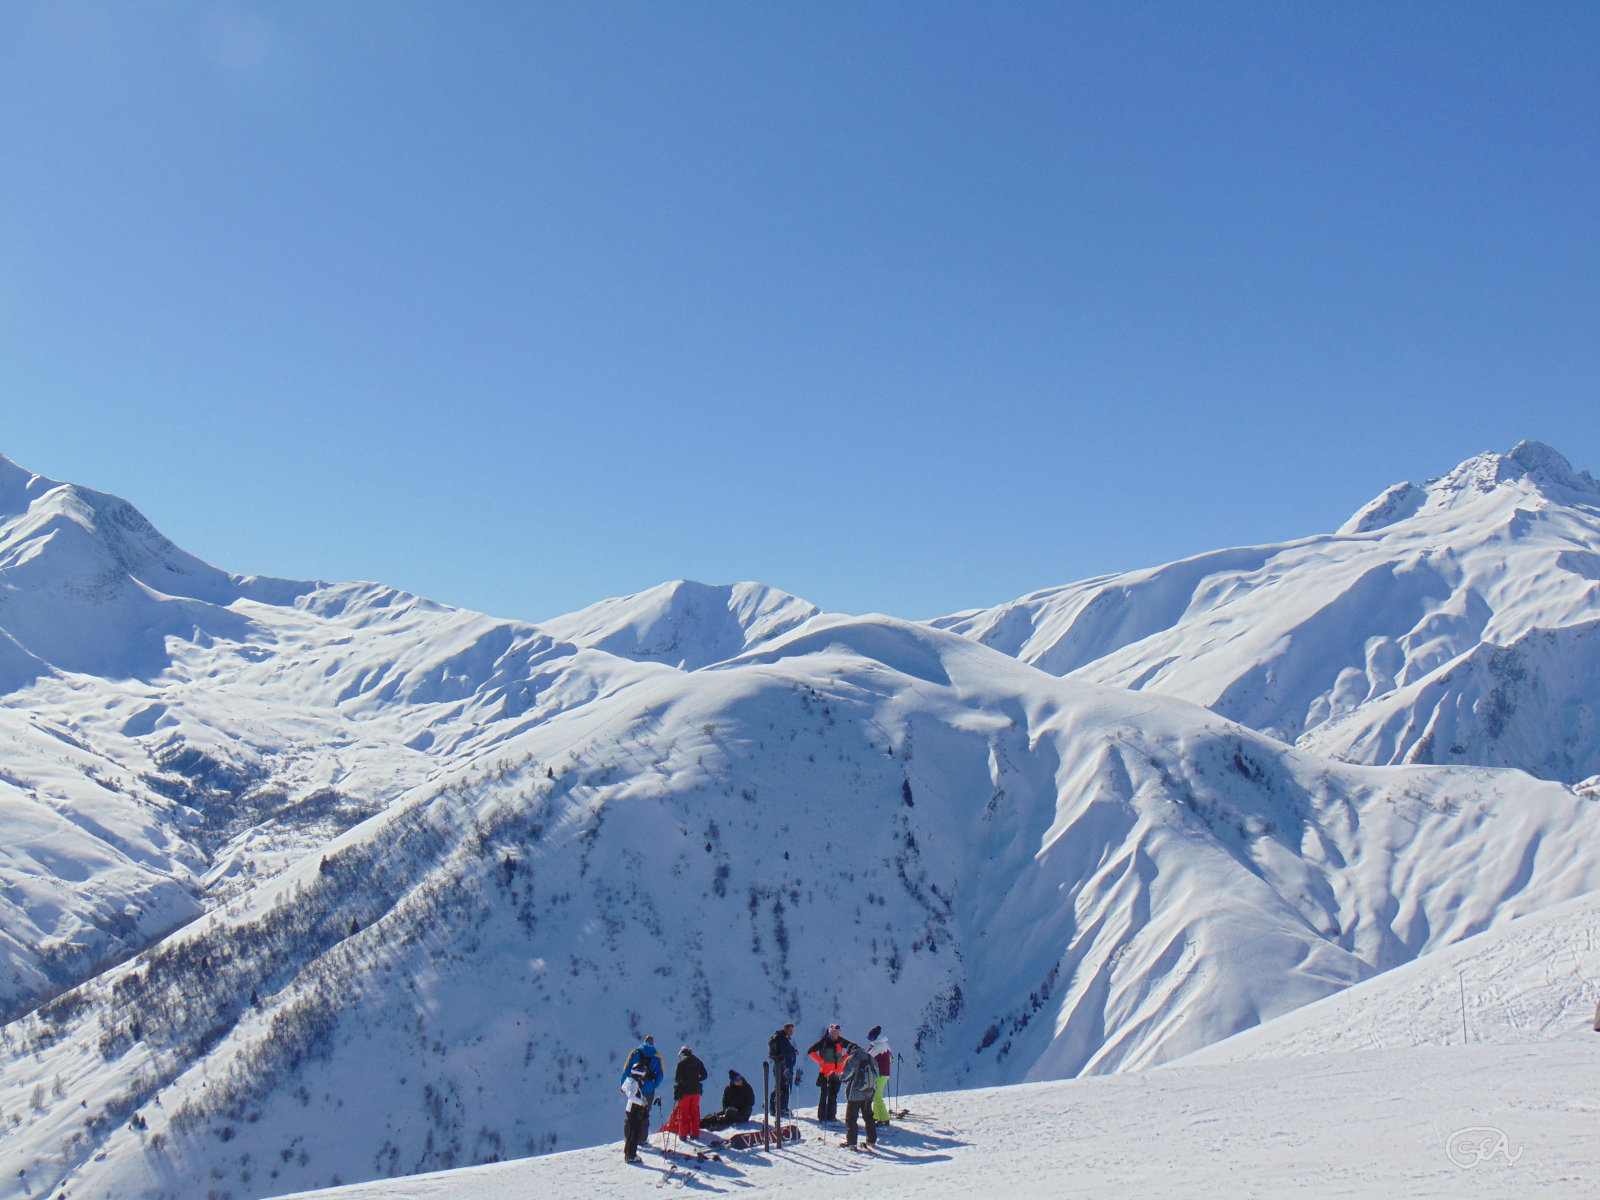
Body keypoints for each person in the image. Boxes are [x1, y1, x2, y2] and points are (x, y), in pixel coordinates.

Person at [660, 1045, 709, 1141]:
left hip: (685, 1092)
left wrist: (685, 1081)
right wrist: (696, 1080)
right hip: (696, 1091)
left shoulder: (681, 1063)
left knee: (684, 1113)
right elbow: (704, 1075)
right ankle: (695, 1134)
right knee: (694, 1112)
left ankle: (683, 1135)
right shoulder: (697, 1061)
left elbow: (677, 1079)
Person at [840, 1040, 880, 1149]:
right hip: (869, 1092)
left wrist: (835, 1076)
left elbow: (845, 1076)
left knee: (851, 1119)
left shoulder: (852, 1059)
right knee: (868, 1117)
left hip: (856, 1093)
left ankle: (852, 1143)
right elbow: (877, 1072)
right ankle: (871, 1140)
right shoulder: (870, 1057)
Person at [807, 1024, 849, 1123]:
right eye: (835, 1032)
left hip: (838, 1073)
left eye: (838, 1032)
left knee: (833, 1095)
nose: (837, 1034)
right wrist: (820, 1061)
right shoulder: (824, 1041)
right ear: (831, 1032)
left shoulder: (840, 1041)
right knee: (824, 1095)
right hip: (825, 1073)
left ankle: (831, 1116)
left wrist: (846, 1055)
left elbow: (851, 1046)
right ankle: (822, 1116)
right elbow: (810, 1051)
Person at [620, 1036, 664, 1109]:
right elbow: (661, 1074)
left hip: (635, 1087)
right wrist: (654, 1085)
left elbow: (627, 1069)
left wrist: (623, 1085)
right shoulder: (657, 1056)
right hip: (649, 1089)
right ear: (653, 1043)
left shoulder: (635, 1052)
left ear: (644, 1042)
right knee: (645, 1114)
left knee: (632, 1113)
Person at [621, 1064, 652, 1162]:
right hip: (634, 1110)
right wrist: (642, 1102)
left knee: (631, 1131)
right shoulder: (634, 1083)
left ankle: (628, 1151)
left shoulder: (629, 1079)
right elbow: (631, 1097)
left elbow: (623, 1089)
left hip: (630, 1109)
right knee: (635, 1132)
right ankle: (631, 1155)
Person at [768, 1022, 799, 1117]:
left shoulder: (780, 1038)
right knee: (785, 1087)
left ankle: (774, 1108)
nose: (791, 1033)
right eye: (790, 1030)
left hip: (779, 1066)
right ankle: (782, 1108)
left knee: (778, 1087)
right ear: (785, 1029)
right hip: (784, 1068)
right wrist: (786, 1067)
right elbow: (784, 1053)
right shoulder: (782, 1039)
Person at [867, 1025, 893, 1122]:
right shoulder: (885, 1045)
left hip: (879, 1074)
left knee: (877, 1097)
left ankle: (884, 1119)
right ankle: (875, 1116)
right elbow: (890, 1058)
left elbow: (868, 1056)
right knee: (876, 1095)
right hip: (884, 1074)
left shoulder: (878, 1046)